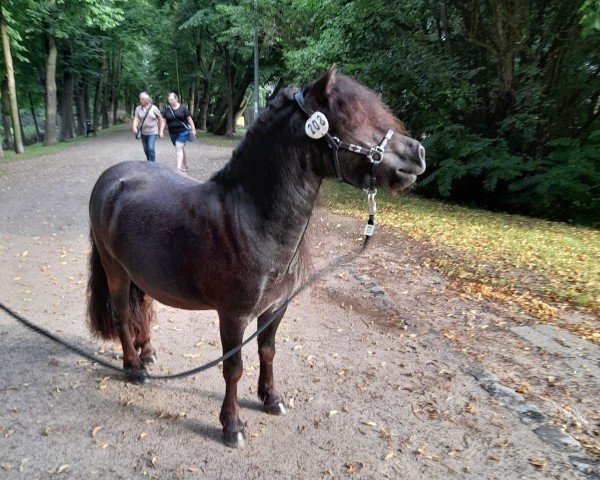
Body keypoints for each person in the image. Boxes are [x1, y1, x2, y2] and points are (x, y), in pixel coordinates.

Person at [160, 92, 196, 174]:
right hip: (173, 133)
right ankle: (185, 164)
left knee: (179, 146)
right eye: (169, 99)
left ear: (176, 99)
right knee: (180, 148)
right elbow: (164, 121)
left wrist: (193, 130)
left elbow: (189, 120)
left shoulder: (183, 108)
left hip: (183, 131)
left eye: (172, 99)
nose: (170, 101)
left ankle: (179, 168)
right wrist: (161, 131)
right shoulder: (167, 110)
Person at [132, 92, 163, 162]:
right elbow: (136, 119)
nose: (140, 100)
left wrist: (160, 131)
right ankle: (149, 162)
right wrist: (134, 127)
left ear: (147, 100)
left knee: (150, 148)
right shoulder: (138, 109)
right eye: (140, 99)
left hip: (153, 131)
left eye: (142, 99)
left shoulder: (154, 108)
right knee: (146, 149)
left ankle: (152, 165)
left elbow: (160, 119)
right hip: (143, 132)